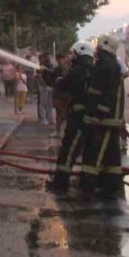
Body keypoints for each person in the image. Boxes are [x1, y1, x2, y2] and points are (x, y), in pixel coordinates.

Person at [80, 35, 125, 199]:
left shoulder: (109, 66)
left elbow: (109, 95)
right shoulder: (106, 65)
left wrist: (99, 114)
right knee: (110, 155)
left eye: (98, 47)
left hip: (104, 121)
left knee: (95, 154)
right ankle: (111, 185)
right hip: (105, 119)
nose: (96, 50)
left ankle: (89, 186)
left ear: (104, 48)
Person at [48, 41, 94, 193]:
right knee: (80, 150)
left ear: (81, 53)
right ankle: (84, 183)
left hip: (79, 118)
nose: (71, 57)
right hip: (82, 115)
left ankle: (61, 183)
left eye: (74, 54)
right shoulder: (88, 69)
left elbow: (63, 85)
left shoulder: (79, 70)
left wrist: (57, 79)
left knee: (69, 149)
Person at [51, 53, 71, 138]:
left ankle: (62, 130)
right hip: (58, 94)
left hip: (66, 95)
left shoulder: (69, 70)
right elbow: (53, 81)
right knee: (59, 113)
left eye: (62, 59)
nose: (60, 61)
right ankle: (57, 130)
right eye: (58, 59)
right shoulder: (56, 70)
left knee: (65, 114)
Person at [37, 53, 56, 126]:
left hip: (50, 87)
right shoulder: (41, 66)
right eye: (47, 57)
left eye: (49, 57)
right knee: (42, 103)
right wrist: (44, 85)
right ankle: (43, 119)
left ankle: (49, 119)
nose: (48, 59)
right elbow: (39, 76)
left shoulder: (51, 66)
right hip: (44, 87)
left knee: (49, 104)